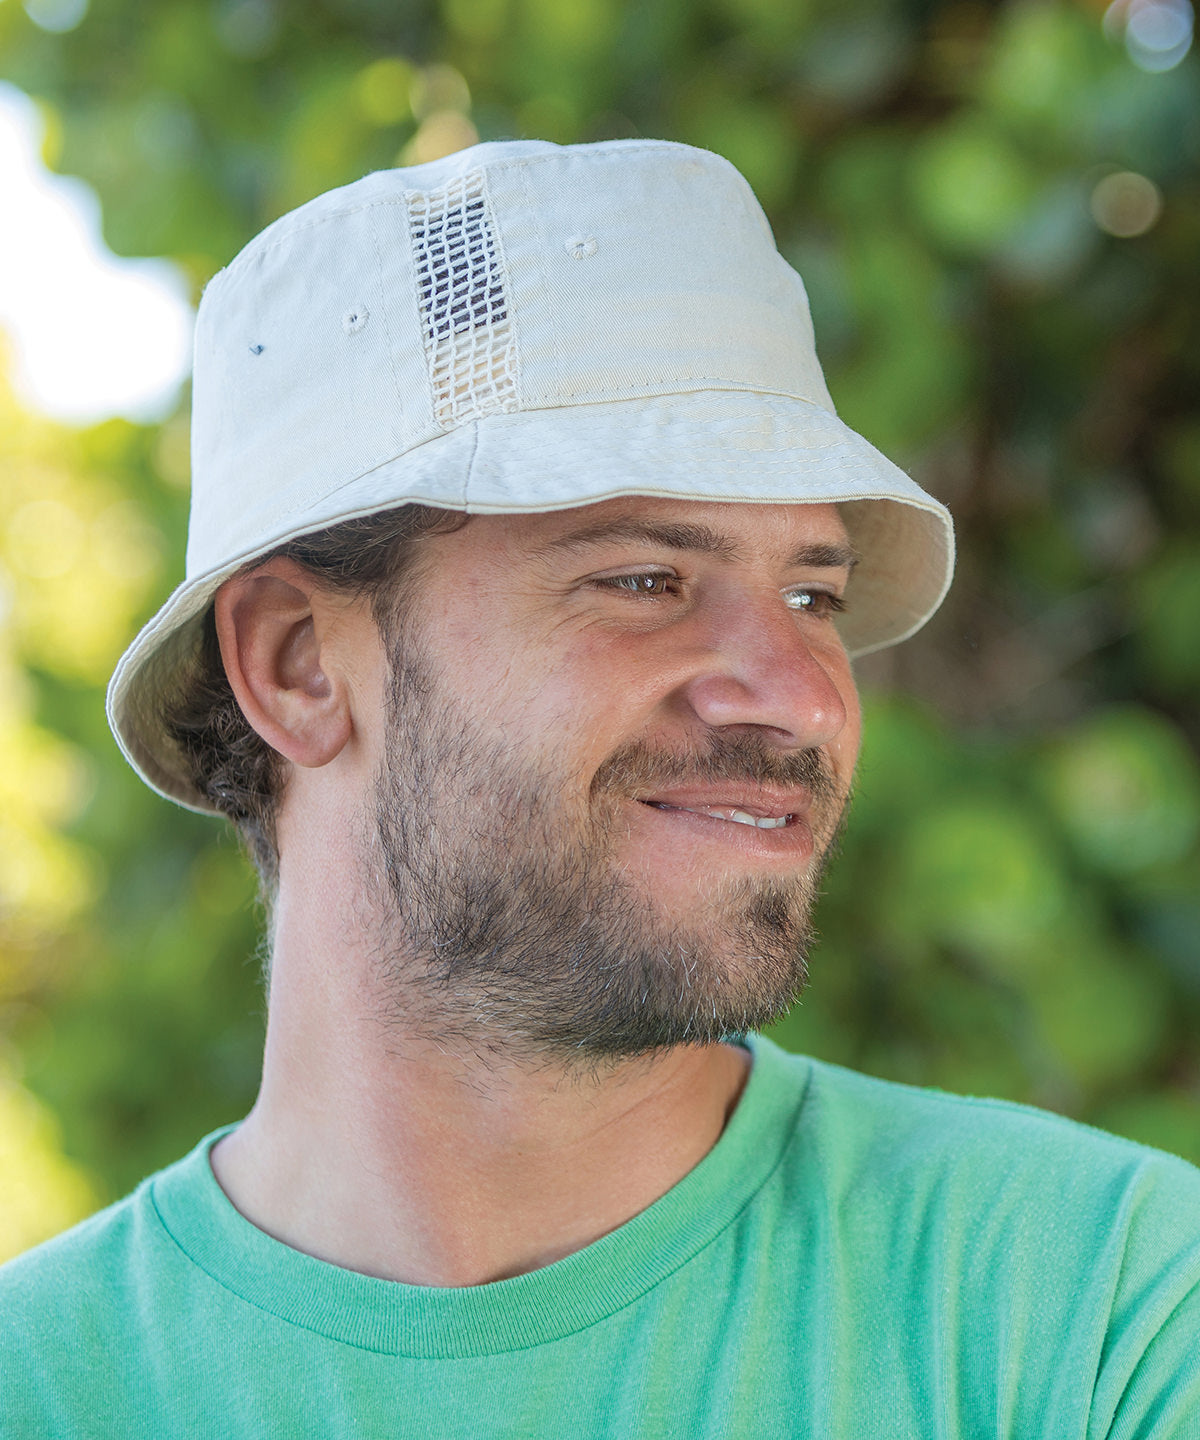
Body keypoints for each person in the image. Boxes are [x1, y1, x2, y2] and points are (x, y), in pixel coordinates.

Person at [1, 138, 1197, 1438]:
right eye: (644, 580)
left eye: (814, 594)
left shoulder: (1103, 1311)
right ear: (296, 665)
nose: (798, 693)